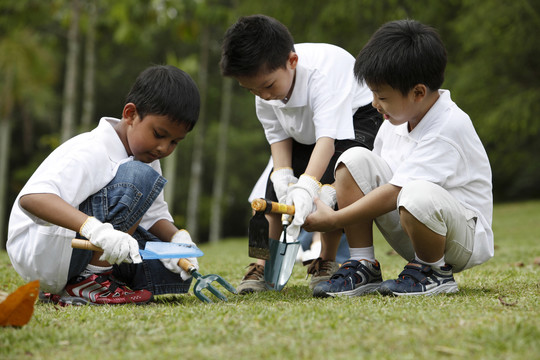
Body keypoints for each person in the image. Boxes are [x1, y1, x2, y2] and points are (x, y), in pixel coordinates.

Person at [304, 19, 494, 297]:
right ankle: (363, 263)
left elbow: (393, 193)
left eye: (381, 96)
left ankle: (434, 272)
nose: (374, 104)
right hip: (415, 227)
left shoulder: (448, 126)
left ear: (418, 92)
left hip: (459, 240)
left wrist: (333, 221)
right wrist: (324, 199)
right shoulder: (395, 122)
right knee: (354, 159)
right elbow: (367, 181)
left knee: (414, 192)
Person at [7, 65, 201, 305]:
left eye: (174, 142)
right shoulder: (92, 149)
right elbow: (32, 198)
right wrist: (95, 229)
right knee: (138, 177)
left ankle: (80, 283)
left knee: (175, 270)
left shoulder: (147, 157)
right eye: (159, 134)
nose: (164, 148)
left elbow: (154, 216)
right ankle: (88, 282)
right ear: (130, 114)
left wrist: (178, 241)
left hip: (76, 250)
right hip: (44, 248)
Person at [220, 14, 382, 294]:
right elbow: (278, 137)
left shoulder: (323, 77)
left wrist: (307, 187)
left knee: (331, 184)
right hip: (306, 131)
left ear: (292, 62)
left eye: (268, 86)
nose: (263, 95)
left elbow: (327, 141)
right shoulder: (264, 92)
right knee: (270, 193)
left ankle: (326, 261)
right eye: (251, 90)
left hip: (356, 119)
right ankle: (261, 265)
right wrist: (283, 178)